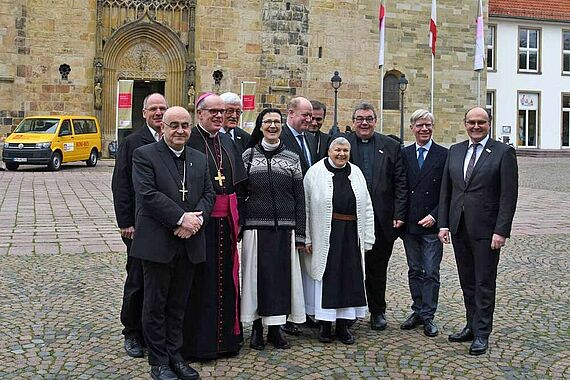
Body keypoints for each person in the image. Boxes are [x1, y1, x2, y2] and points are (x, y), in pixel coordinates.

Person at [131, 106, 215, 380]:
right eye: (174, 125)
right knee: (155, 304)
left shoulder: (199, 159)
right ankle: (158, 361)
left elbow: (208, 194)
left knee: (179, 304)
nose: (180, 131)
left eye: (185, 125)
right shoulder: (144, 156)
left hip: (189, 242)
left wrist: (194, 222)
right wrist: (180, 219)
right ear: (162, 128)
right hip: (158, 243)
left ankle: (175, 356)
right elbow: (147, 194)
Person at [438, 106, 518, 355]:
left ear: (489, 123)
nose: (475, 126)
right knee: (467, 282)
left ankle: (482, 333)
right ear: (465, 123)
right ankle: (471, 325)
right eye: (471, 122)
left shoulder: (503, 153)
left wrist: (501, 230)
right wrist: (443, 223)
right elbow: (447, 191)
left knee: (484, 283)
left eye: (480, 122)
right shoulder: (456, 151)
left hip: (486, 230)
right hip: (459, 227)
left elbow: (508, 195)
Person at [183, 93, 247, 361]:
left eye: (222, 111)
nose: (220, 116)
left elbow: (240, 186)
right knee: (201, 283)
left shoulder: (227, 142)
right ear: (200, 114)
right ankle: (200, 345)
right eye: (213, 112)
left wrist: (239, 218)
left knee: (227, 281)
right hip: (201, 223)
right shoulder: (190, 140)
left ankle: (227, 341)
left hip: (227, 223)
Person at [240, 108, 306, 350]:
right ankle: (257, 329)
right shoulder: (247, 156)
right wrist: (241, 224)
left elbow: (300, 197)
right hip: (255, 229)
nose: (272, 126)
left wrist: (300, 233)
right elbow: (240, 194)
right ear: (260, 126)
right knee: (255, 280)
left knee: (280, 280)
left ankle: (276, 330)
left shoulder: (292, 157)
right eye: (267, 122)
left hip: (285, 229)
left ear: (281, 126)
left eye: (276, 122)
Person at [302, 137, 375, 345]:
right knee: (327, 278)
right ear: (329, 151)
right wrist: (306, 236)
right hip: (325, 234)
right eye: (337, 150)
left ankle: (343, 326)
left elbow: (367, 206)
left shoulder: (357, 173)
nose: (341, 154)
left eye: (345, 150)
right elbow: (306, 207)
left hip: (351, 234)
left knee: (349, 278)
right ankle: (325, 325)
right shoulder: (315, 173)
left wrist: (368, 237)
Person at [111, 92, 167, 358]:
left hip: (166, 224)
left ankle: (154, 330)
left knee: (162, 281)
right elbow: (121, 183)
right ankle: (131, 331)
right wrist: (126, 222)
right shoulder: (133, 142)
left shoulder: (173, 139)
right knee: (137, 279)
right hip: (139, 225)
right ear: (144, 112)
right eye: (153, 108)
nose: (158, 113)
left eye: (162, 108)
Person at [345, 102, 408, 331]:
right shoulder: (343, 144)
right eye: (360, 118)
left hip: (382, 219)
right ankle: (348, 312)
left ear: (375, 120)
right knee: (349, 267)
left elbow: (401, 182)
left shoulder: (391, 146)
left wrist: (399, 213)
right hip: (348, 220)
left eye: (369, 119)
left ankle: (377, 311)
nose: (364, 123)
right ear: (353, 122)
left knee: (377, 268)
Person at [400, 109, 448, 337]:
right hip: (410, 224)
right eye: (419, 125)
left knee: (431, 271)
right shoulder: (405, 153)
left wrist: (436, 215)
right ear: (412, 128)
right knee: (414, 270)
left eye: (428, 125)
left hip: (431, 224)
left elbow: (448, 192)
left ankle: (429, 315)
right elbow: (400, 188)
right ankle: (417, 310)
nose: (424, 129)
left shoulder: (443, 154)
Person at [279, 96, 318, 334]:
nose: (309, 119)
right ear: (290, 113)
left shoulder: (310, 139)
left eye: (311, 115)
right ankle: (283, 316)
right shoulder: (280, 138)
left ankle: (301, 312)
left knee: (304, 265)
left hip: (307, 210)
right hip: (288, 210)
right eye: (305, 115)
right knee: (287, 266)